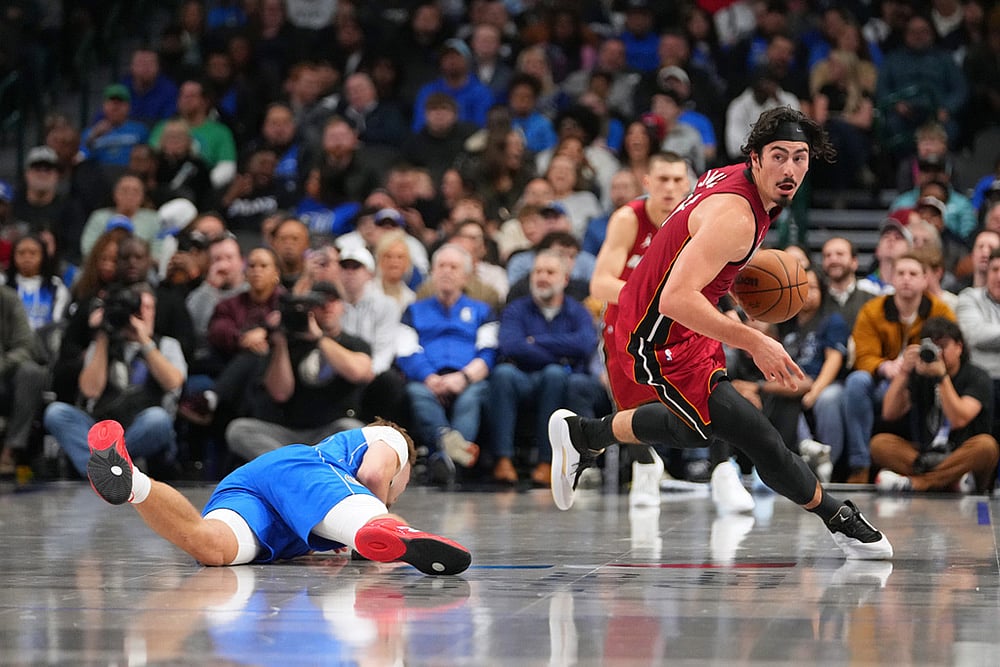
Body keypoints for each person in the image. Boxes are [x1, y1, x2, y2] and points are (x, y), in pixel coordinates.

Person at [548, 106, 893, 561]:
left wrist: (730, 301)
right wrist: (755, 340)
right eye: (778, 156)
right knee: (760, 436)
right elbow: (674, 297)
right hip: (655, 333)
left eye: (800, 157)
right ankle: (840, 519)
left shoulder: (734, 181)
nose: (789, 169)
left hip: (687, 324)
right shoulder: (738, 216)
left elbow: (696, 258)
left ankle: (583, 435)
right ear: (754, 158)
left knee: (695, 433)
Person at [83, 417, 471, 574]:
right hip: (297, 471)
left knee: (210, 547)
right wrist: (372, 523)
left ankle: (131, 481)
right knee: (377, 525)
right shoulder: (391, 439)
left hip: (252, 485)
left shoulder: (324, 480)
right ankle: (392, 532)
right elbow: (372, 473)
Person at [589, 151, 696, 501]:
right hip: (626, 325)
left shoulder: (697, 221)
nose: (670, 188)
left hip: (674, 324)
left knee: (708, 394)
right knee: (631, 414)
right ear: (647, 182)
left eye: (678, 180)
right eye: (662, 179)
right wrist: (651, 297)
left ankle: (722, 469)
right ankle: (645, 467)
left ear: (689, 184)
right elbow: (600, 284)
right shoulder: (628, 219)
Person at [43, 282, 187, 478]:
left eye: (147, 308)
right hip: (104, 428)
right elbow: (90, 390)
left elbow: (174, 382)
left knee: (158, 419)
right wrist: (103, 335)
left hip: (141, 427)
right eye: (136, 309)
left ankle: (103, 469)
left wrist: (144, 341)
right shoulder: (104, 343)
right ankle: (105, 473)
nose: (141, 314)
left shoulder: (167, 345)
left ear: (155, 311)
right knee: (56, 412)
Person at [841, 252, 956, 484]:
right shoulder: (872, 310)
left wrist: (918, 366)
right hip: (881, 377)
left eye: (913, 274)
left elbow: (952, 348)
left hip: (922, 378)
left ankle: (918, 460)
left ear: (926, 279)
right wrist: (884, 366)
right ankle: (860, 466)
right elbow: (862, 354)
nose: (906, 279)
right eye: (901, 273)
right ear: (891, 278)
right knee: (855, 382)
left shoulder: (940, 310)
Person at [224, 282, 373, 461]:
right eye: (319, 303)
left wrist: (319, 338)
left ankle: (296, 467)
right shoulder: (288, 343)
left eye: (332, 301)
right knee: (239, 429)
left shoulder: (354, 344)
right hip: (288, 435)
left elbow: (357, 372)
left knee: (355, 431)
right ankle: (298, 464)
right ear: (309, 310)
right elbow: (280, 393)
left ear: (342, 306)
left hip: (331, 431)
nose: (326, 307)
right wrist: (281, 342)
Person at [488, 250, 599, 486]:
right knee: (502, 374)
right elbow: (511, 346)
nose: (542, 277)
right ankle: (502, 460)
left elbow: (584, 344)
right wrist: (558, 353)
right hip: (520, 375)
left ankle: (547, 462)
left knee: (555, 375)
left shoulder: (577, 311)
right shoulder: (516, 309)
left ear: (565, 279)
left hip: (555, 378)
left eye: (550, 272)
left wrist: (536, 341)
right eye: (538, 271)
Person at [396, 244, 496, 482]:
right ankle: (452, 455)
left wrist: (463, 378)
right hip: (427, 381)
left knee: (474, 395)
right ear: (432, 271)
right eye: (441, 266)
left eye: (454, 267)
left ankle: (443, 455)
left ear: (466, 276)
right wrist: (430, 378)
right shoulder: (413, 310)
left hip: (468, 380)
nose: (446, 272)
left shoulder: (482, 310)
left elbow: (489, 352)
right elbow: (406, 351)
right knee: (416, 392)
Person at [873, 317, 998, 493]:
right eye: (931, 346)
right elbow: (889, 413)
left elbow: (958, 419)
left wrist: (942, 378)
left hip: (962, 454)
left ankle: (918, 483)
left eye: (943, 347)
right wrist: (903, 372)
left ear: (959, 347)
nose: (937, 353)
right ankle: (950, 481)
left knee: (986, 446)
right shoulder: (920, 374)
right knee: (880, 444)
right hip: (925, 456)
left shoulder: (977, 377)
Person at [0, 285, 49, 476]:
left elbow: (25, 346)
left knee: (32, 372)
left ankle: (10, 450)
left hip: (5, 375)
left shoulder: (8, 299)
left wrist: (3, 365)